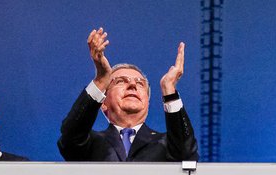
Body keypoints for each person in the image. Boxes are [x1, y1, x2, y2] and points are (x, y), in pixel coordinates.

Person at [58, 28, 198, 162]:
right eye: (120, 81)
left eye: (140, 83)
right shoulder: (90, 143)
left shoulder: (167, 144)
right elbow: (69, 138)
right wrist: (101, 80)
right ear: (103, 103)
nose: (132, 85)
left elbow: (186, 154)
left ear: (147, 102)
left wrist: (169, 90)